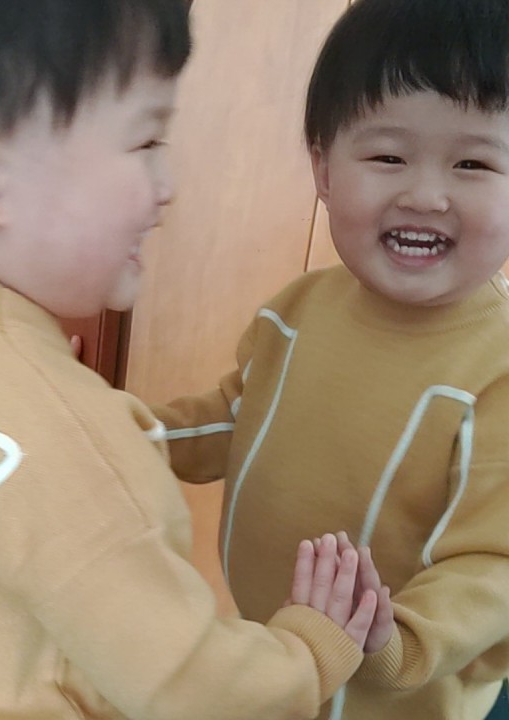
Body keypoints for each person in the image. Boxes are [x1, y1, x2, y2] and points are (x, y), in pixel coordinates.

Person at [0, 1, 390, 718]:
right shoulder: (61, 434)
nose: (167, 186)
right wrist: (313, 647)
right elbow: (198, 691)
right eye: (145, 140)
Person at [154, 0, 509, 718]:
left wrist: (396, 638)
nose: (425, 195)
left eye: (473, 163)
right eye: (387, 157)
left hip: (405, 693)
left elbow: (493, 564)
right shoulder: (297, 309)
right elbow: (234, 418)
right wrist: (128, 432)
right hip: (277, 651)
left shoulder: (495, 369)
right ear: (323, 169)